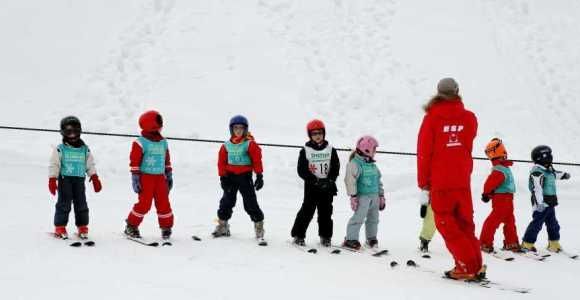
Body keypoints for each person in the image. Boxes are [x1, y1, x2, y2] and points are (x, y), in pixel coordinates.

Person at [416, 78, 484, 281]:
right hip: (462, 181)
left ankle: (465, 266)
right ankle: (475, 265)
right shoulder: (469, 118)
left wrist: (423, 182)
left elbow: (424, 153)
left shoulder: (431, 119)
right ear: (457, 92)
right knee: (465, 225)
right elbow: (468, 140)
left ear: (438, 93)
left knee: (446, 223)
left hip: (441, 181)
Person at [212, 115, 266, 245]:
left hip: (245, 177)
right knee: (226, 201)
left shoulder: (249, 144)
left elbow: (257, 160)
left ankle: (259, 227)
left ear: (245, 129)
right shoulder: (226, 146)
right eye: (235, 128)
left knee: (250, 203)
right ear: (231, 129)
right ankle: (223, 225)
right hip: (230, 177)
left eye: (241, 128)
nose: (238, 131)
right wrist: (223, 176)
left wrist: (259, 175)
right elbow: (221, 162)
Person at [49, 116, 102, 239]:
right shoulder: (60, 149)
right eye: (68, 132)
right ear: (63, 133)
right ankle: (60, 226)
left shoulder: (84, 149)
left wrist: (94, 177)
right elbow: (54, 164)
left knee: (81, 203)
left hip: (79, 180)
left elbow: (90, 164)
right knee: (64, 203)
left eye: (75, 131)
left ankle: (82, 226)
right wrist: (52, 179)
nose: (72, 135)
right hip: (65, 180)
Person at [124, 110, 174, 240]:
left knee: (164, 203)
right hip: (146, 178)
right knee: (144, 204)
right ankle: (131, 225)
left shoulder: (163, 142)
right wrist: (135, 177)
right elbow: (134, 161)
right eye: (159, 122)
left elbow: (166, 159)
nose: (161, 125)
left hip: (160, 178)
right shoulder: (140, 142)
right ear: (151, 125)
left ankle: (166, 227)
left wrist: (168, 174)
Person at [291, 119, 340, 247]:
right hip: (312, 187)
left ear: (324, 133)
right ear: (310, 135)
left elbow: (335, 167)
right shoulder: (305, 150)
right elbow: (301, 170)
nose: (317, 136)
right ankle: (298, 235)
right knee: (307, 211)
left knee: (326, 212)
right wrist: (314, 180)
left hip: (327, 187)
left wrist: (330, 180)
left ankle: (326, 236)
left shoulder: (331, 150)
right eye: (314, 133)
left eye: (320, 133)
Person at [521, 145, 571, 253]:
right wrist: (539, 204)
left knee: (553, 225)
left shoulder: (548, 169)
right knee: (536, 225)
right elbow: (537, 189)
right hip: (541, 205)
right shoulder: (537, 172)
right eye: (548, 155)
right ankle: (527, 244)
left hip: (550, 203)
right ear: (542, 157)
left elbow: (555, 174)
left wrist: (564, 175)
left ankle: (553, 243)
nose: (551, 157)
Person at [342, 136, 386, 250]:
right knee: (358, 218)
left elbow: (378, 180)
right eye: (374, 149)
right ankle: (351, 239)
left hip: (374, 197)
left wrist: (381, 195)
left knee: (374, 219)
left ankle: (371, 238)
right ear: (367, 150)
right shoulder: (355, 164)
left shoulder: (372, 165)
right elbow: (350, 180)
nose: (375, 152)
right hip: (363, 198)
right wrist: (353, 196)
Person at [479, 138, 520, 253]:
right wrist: (487, 194)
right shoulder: (503, 169)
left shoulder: (500, 169)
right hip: (504, 199)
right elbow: (491, 183)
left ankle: (506, 243)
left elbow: (490, 183)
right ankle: (506, 243)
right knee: (501, 221)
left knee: (502, 221)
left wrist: (486, 193)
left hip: (505, 199)